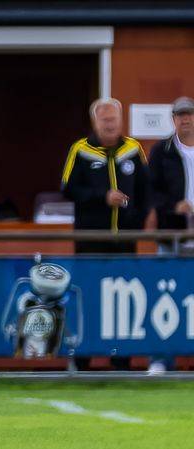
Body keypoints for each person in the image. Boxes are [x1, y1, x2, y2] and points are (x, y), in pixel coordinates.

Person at [61, 97, 148, 371]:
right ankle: (82, 359)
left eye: (113, 119)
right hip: (90, 241)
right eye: (104, 120)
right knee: (87, 299)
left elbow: (146, 191)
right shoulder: (80, 149)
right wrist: (102, 197)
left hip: (124, 242)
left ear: (120, 121)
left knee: (123, 300)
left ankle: (121, 360)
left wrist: (136, 223)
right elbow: (67, 189)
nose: (109, 124)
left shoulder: (134, 149)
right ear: (95, 122)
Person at [145, 95, 194, 374]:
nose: (185, 119)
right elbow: (152, 191)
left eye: (189, 114)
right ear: (173, 119)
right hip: (172, 235)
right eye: (180, 115)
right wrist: (173, 206)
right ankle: (161, 360)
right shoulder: (161, 151)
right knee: (166, 298)